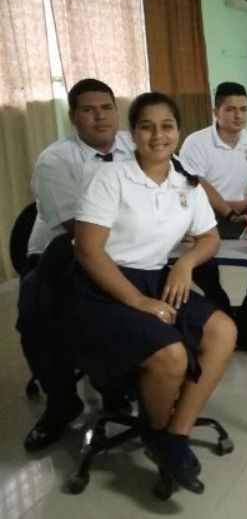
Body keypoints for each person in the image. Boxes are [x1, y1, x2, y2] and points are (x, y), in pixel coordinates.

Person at [66, 92, 236, 493]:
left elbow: (210, 237)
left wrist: (185, 264)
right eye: (147, 127)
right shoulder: (111, 178)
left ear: (179, 131)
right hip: (102, 287)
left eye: (167, 126)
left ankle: (173, 437)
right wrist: (140, 302)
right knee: (170, 356)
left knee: (223, 331)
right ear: (133, 133)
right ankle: (156, 431)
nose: (158, 136)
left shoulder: (186, 183)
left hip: (156, 277)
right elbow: (88, 251)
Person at [17, 78, 135, 452]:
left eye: (106, 107)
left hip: (125, 248)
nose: (100, 117)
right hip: (57, 254)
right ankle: (61, 401)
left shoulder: (135, 145)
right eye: (88, 110)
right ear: (73, 116)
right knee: (34, 313)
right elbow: (79, 230)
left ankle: (115, 384)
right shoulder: (55, 160)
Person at [180, 82, 247, 350]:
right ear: (216, 112)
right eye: (231, 109)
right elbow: (196, 190)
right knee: (204, 259)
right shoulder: (197, 143)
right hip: (201, 216)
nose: (239, 116)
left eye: (244, 109)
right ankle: (222, 310)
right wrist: (240, 203)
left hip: (239, 211)